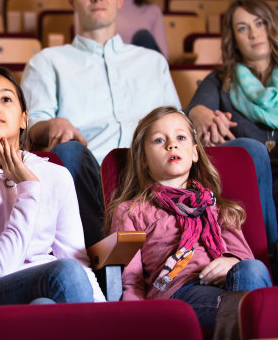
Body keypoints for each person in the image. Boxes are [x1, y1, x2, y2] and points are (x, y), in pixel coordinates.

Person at [21, 0, 180, 246]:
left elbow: (177, 123)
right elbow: (30, 125)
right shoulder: (47, 61)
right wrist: (52, 124)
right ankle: (96, 257)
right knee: (67, 153)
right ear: (72, 0)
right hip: (89, 175)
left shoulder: (152, 62)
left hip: (151, 171)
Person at [0, 67, 105, 334]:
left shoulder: (56, 175)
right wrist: (27, 189)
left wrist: (102, 311)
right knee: (63, 273)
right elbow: (0, 267)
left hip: (48, 290)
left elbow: (76, 259)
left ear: (24, 119)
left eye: (6, 99)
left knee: (43, 306)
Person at [107, 106, 271, 327]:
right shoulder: (132, 210)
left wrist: (231, 264)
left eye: (181, 137)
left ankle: (242, 323)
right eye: (158, 140)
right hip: (180, 293)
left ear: (195, 153)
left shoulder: (218, 208)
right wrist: (136, 320)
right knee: (250, 313)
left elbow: (245, 259)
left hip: (231, 286)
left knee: (254, 269)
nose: (171, 145)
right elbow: (130, 278)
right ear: (143, 159)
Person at [186, 0, 277, 248]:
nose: (254, 34)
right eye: (242, 28)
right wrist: (198, 114)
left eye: (260, 23)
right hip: (246, 183)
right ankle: (267, 253)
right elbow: (192, 112)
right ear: (233, 38)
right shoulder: (220, 79)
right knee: (252, 150)